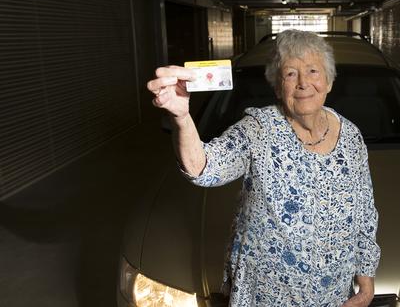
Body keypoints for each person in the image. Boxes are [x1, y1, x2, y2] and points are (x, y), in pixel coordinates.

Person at [147, 29, 380, 306]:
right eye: (291, 73)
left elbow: (365, 211)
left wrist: (366, 283)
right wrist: (182, 117)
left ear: (329, 81)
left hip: (333, 297)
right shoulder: (258, 130)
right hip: (264, 296)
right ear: (278, 87)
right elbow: (204, 168)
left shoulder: (351, 136)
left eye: (313, 71)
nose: (304, 82)